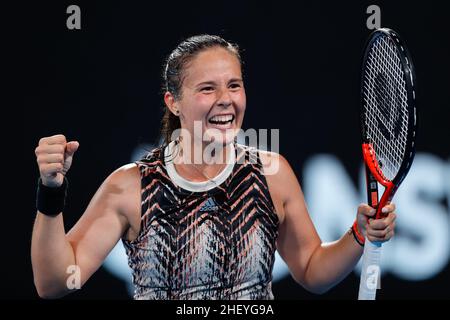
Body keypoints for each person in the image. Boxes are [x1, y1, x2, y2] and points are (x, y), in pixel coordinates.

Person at [31, 34, 396, 300]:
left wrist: (359, 234)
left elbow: (313, 271)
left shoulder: (273, 174)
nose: (226, 100)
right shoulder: (130, 185)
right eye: (207, 89)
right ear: (174, 103)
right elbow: (55, 283)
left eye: (234, 85)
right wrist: (51, 191)